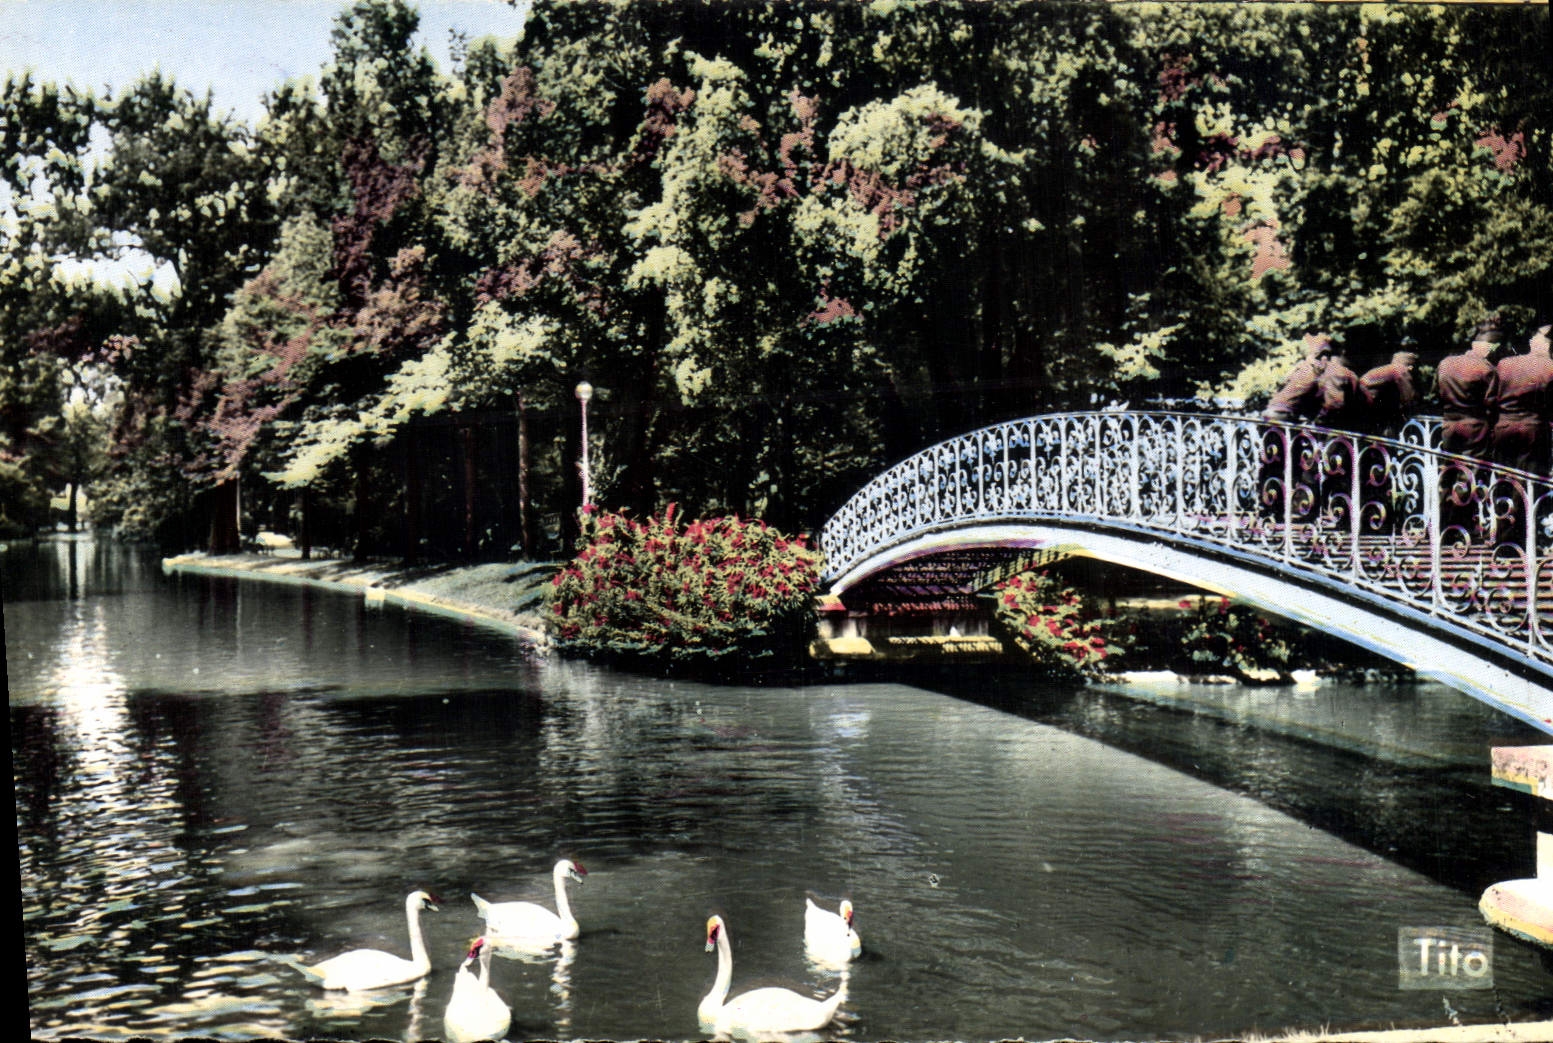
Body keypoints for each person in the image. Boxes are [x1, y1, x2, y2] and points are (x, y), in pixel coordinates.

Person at [1260, 332, 1333, 522]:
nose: (1327, 362)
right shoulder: (1314, 375)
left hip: (1270, 416)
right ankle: (1294, 509)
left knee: (1273, 464)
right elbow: (1318, 404)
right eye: (1325, 357)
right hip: (1283, 419)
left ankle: (1269, 508)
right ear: (1320, 357)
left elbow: (1285, 387)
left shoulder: (1300, 369)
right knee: (1296, 463)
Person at [1490, 319, 1553, 476]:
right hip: (1533, 430)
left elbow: (1490, 397)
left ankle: (1501, 500)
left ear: (1532, 344)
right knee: (1529, 482)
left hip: (1503, 428)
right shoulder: (1550, 367)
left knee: (1502, 477)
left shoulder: (1504, 363)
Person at [1437, 321, 1502, 458]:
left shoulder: (1445, 363)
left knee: (1447, 469)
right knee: (1470, 473)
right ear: (1492, 349)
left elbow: (1435, 394)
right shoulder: (1487, 369)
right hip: (1475, 429)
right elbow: (1491, 404)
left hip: (1448, 426)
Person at [1358, 345, 1420, 440]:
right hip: (1367, 408)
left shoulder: (1387, 369)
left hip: (1361, 405)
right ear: (1410, 367)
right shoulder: (1400, 370)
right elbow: (1408, 398)